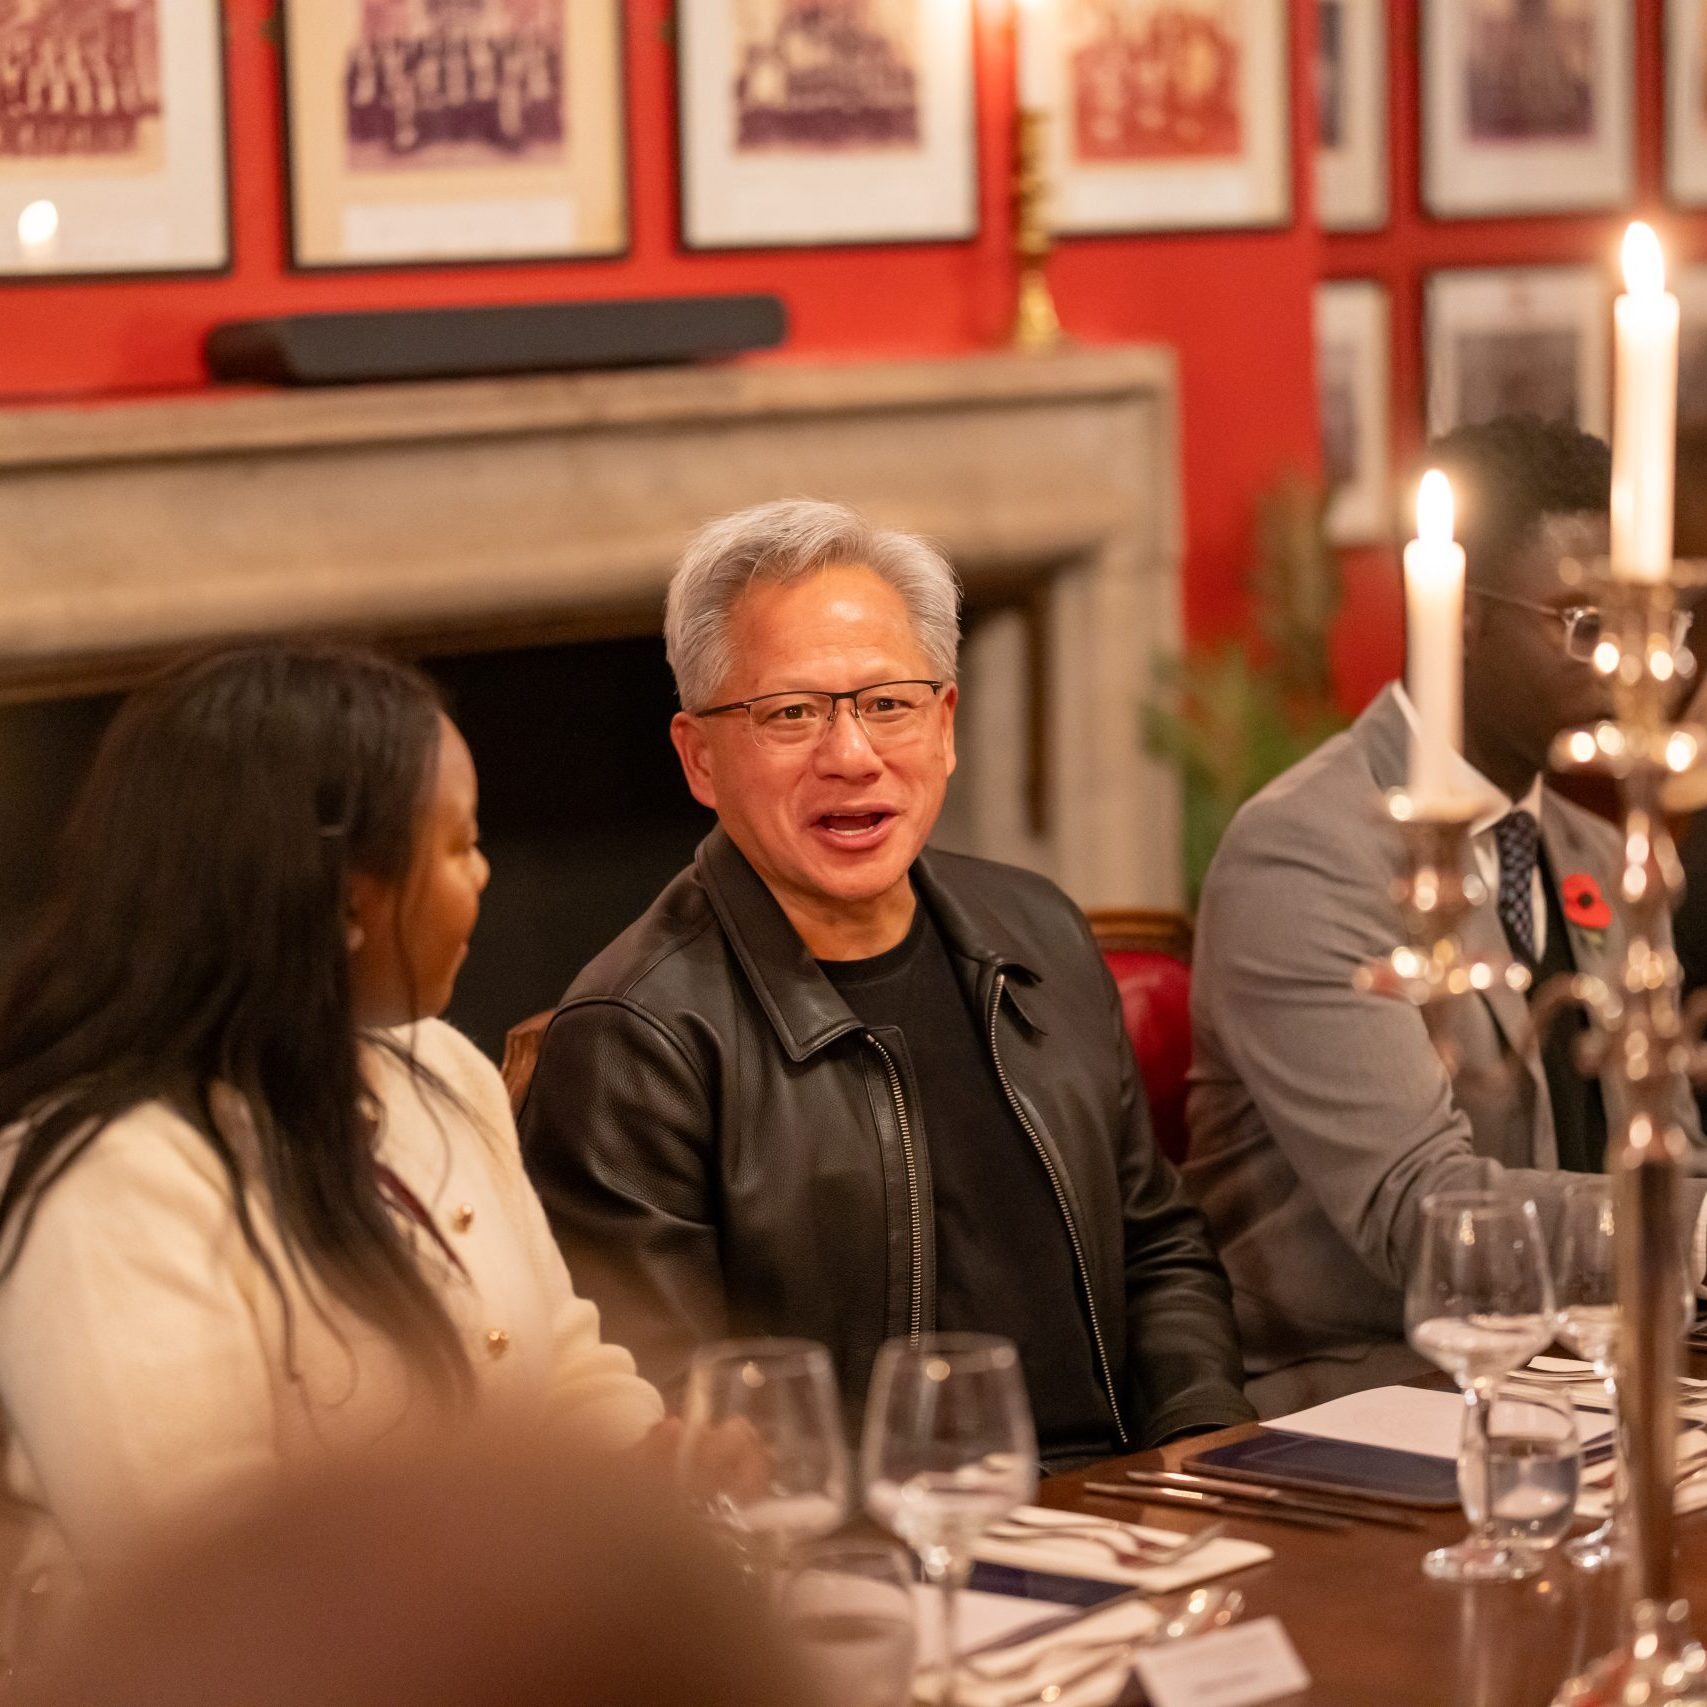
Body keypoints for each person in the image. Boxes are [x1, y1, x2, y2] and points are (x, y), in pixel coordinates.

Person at [519, 499, 1254, 1468]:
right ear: (699, 758)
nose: (852, 756)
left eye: (887, 704)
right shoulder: (636, 1033)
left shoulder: (1036, 931)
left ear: (944, 725)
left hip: (1129, 1500)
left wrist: (1203, 1448)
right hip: (859, 1554)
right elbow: (673, 1409)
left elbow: (1157, 1249)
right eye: (790, 714)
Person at [0, 645, 662, 1654]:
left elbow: (564, 1369)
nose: (484, 874)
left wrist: (663, 1472)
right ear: (350, 902)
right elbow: (209, 1592)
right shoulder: (116, 1179)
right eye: (459, 846)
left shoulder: (440, 1070)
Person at [1185, 416, 1707, 1415]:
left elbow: (1669, 1147)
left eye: (1647, 626)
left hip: (1587, 1380)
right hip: (1368, 1401)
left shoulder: (1601, 852)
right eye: (1585, 625)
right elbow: (1421, 1214)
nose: (1633, 669)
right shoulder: (1304, 852)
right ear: (1458, 614)